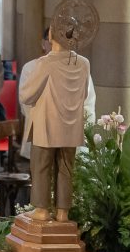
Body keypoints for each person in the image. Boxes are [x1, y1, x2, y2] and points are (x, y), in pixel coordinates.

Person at [20, 25, 90, 222]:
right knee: (66, 168)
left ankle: (42, 210)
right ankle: (62, 212)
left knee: (41, 167)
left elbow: (27, 95)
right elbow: (83, 94)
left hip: (47, 124)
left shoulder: (46, 62)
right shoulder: (84, 63)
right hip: (71, 127)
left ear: (52, 36)